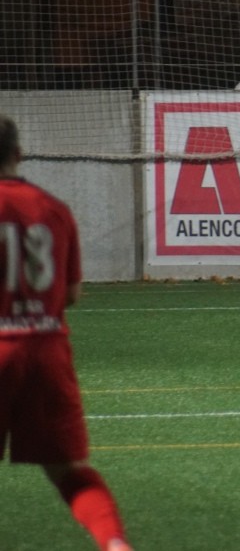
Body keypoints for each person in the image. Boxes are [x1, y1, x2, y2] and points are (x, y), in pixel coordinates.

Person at [0, 114, 133, 551]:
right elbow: (71, 293)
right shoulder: (54, 209)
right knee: (69, 472)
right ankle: (115, 544)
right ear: (18, 153)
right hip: (46, 352)